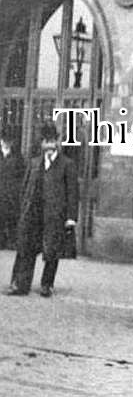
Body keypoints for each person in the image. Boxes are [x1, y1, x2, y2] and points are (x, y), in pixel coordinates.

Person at [6, 123, 79, 297]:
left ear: (57, 142)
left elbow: (72, 193)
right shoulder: (34, 163)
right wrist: (22, 210)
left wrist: (71, 217)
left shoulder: (66, 164)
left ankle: (47, 284)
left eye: (52, 141)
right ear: (42, 143)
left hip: (54, 215)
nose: (48, 145)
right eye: (45, 141)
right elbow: (25, 188)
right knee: (26, 249)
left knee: (51, 251)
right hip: (33, 214)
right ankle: (21, 285)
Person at [0, 127, 23, 250]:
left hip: (11, 194)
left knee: (11, 218)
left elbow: (21, 175)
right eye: (4, 140)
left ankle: (11, 242)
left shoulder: (17, 157)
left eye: (9, 140)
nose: (7, 142)